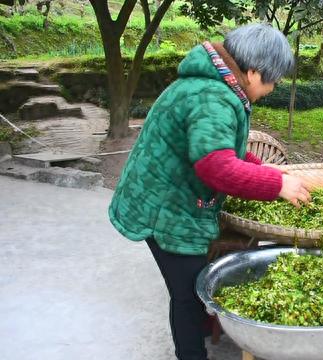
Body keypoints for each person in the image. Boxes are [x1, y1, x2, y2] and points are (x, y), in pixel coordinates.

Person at [108, 24, 310, 360]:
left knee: (192, 283)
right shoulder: (213, 97)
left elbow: (219, 145)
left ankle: (203, 328)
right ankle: (191, 353)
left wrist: (261, 169)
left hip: (170, 196)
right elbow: (216, 166)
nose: (272, 88)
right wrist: (277, 185)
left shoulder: (213, 85)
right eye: (272, 80)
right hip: (165, 207)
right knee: (187, 293)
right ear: (253, 71)